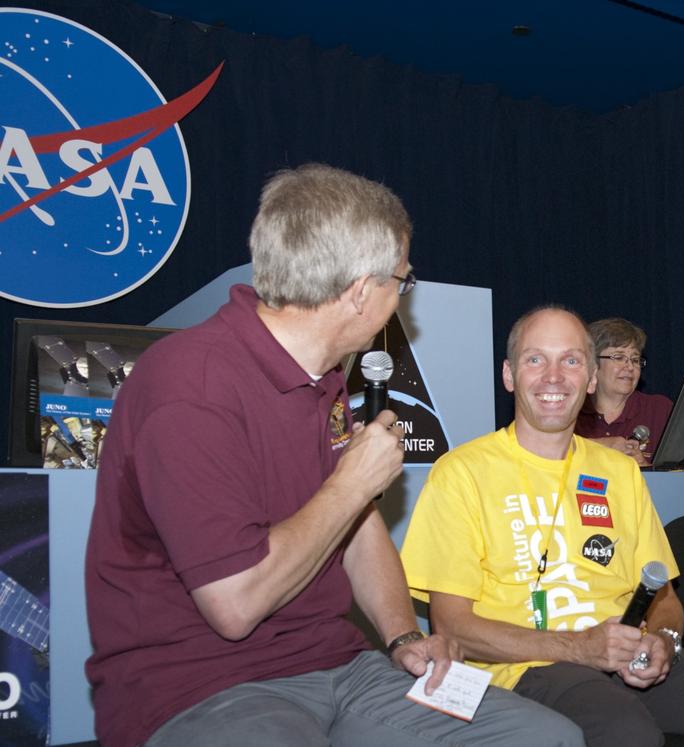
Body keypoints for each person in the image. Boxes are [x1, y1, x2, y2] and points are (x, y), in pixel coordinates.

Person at [84, 164, 581, 747]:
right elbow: (235, 605)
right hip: (201, 687)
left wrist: (401, 638)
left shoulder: (324, 381)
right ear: (362, 291)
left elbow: (357, 527)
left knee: (547, 737)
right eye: (404, 280)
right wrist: (351, 484)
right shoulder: (189, 385)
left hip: (341, 666)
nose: (402, 297)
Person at [400, 306, 684, 746]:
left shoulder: (617, 472)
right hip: (527, 670)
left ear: (590, 378)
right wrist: (579, 647)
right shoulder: (462, 471)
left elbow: (662, 596)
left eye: (571, 360)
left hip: (627, 661)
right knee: (627, 734)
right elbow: (453, 625)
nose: (554, 376)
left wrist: (662, 640)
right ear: (508, 375)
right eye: (535, 359)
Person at [574, 317, 673, 465]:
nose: (629, 367)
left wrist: (645, 469)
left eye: (635, 359)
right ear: (592, 364)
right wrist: (601, 446)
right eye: (619, 357)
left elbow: (682, 477)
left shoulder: (659, 410)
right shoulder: (570, 410)